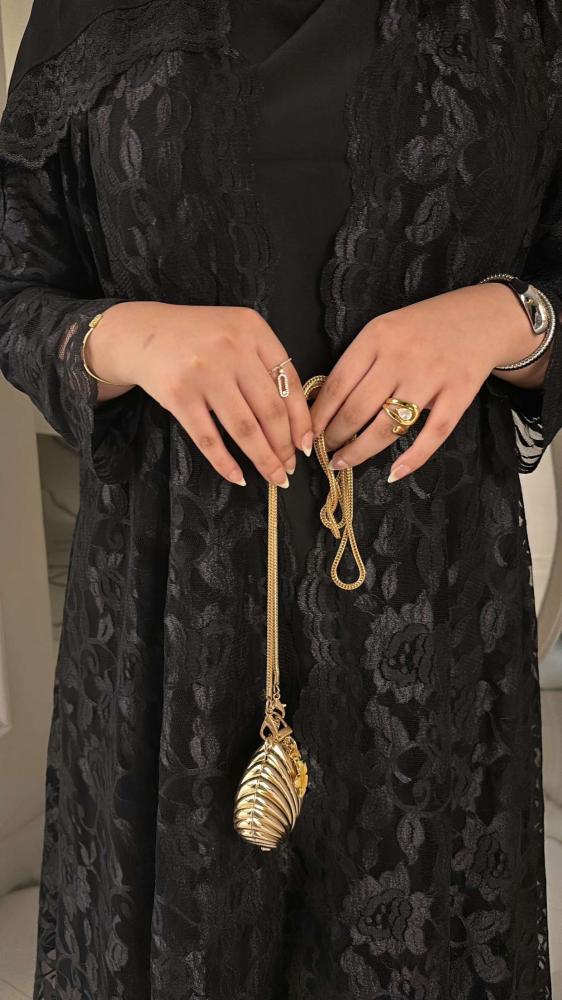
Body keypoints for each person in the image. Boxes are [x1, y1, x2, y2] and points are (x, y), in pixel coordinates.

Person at [0, 0, 560, 997]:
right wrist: (131, 337)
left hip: (431, 619)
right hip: (167, 620)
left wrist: (502, 320)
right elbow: (13, 271)